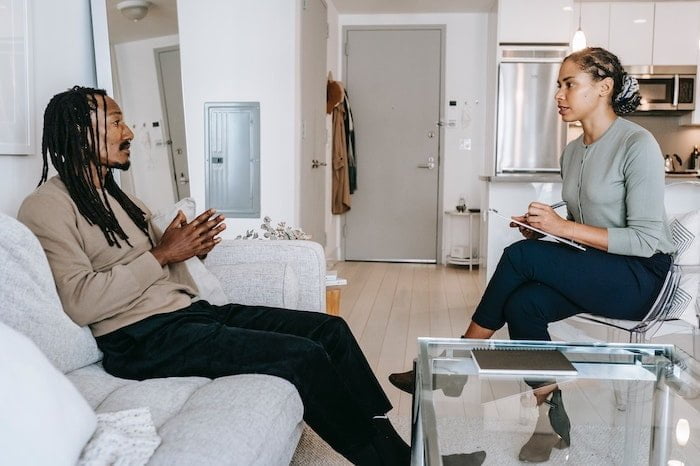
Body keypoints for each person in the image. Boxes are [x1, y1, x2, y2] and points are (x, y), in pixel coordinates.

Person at [18, 86, 409, 466]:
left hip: (188, 315)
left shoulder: (121, 197)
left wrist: (192, 248)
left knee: (331, 331)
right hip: (140, 340)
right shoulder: (47, 207)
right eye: (117, 122)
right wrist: (164, 252)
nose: (130, 133)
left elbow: (162, 265)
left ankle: (392, 443)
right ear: (80, 133)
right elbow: (79, 301)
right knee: (302, 357)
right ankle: (381, 459)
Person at [389, 47, 675, 461]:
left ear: (603, 87)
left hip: (643, 278)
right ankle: (550, 421)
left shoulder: (638, 144)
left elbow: (647, 240)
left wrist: (560, 228)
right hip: (604, 270)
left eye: (569, 84)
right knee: (525, 306)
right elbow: (583, 231)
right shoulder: (573, 151)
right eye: (559, 85)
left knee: (522, 258)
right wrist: (543, 229)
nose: (559, 94)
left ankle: (453, 361)